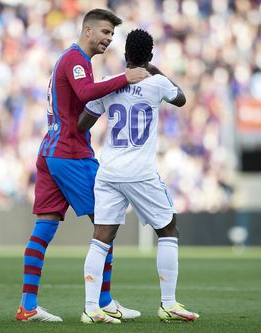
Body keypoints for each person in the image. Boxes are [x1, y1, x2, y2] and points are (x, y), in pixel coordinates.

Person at [15, 9, 149, 322]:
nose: (108, 39)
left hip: (51, 153)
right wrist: (124, 78)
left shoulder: (74, 61)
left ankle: (28, 305)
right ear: (87, 30)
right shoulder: (75, 59)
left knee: (43, 229)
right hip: (70, 154)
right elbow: (87, 93)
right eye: (104, 32)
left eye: (112, 35)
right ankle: (103, 302)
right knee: (107, 223)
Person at [77, 29, 200, 324]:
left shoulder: (108, 85)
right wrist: (157, 72)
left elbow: (84, 122)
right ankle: (168, 304)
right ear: (151, 57)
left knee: (101, 238)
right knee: (168, 230)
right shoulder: (157, 83)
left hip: (109, 171)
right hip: (140, 172)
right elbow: (181, 99)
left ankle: (91, 308)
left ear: (125, 56)